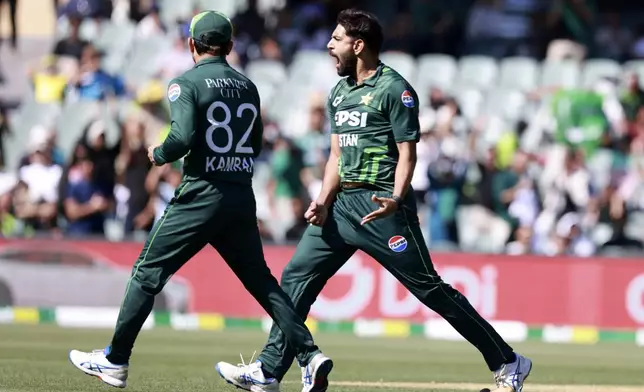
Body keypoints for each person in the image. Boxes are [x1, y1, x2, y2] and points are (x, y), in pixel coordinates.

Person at [217, 8, 533, 392]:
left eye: (337, 39)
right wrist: (322, 198)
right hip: (340, 208)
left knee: (429, 289)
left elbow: (408, 154)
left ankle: (508, 361)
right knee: (295, 277)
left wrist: (397, 199)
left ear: (359, 44)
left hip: (382, 208)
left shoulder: (394, 89)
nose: (329, 45)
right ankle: (269, 370)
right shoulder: (339, 92)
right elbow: (337, 155)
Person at [68, 10, 332, 390]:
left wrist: (158, 153)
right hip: (241, 195)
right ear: (229, 46)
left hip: (201, 193)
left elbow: (182, 138)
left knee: (147, 272)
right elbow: (255, 144)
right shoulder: (248, 86)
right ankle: (309, 356)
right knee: (262, 282)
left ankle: (115, 360)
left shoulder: (184, 83)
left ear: (192, 44)